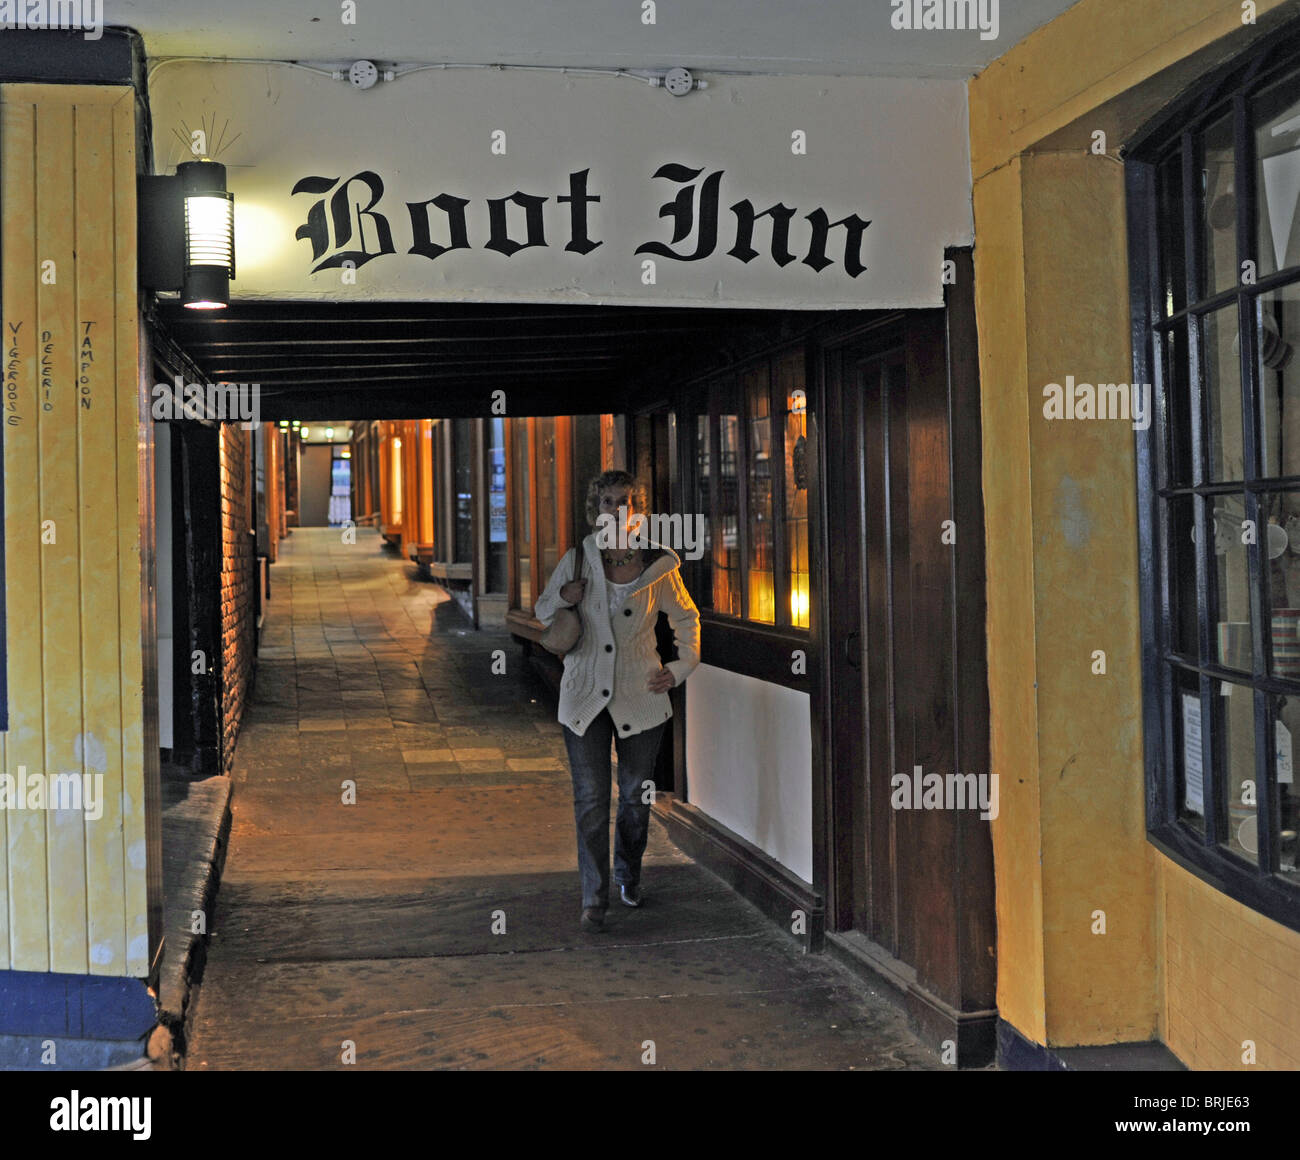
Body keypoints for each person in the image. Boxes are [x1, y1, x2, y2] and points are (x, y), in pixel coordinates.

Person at [534, 470, 701, 931]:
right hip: (584, 694)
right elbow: (543, 611)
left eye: (626, 501)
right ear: (597, 509)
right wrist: (564, 596)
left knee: (634, 796)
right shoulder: (577, 560)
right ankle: (594, 897)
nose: (617, 508)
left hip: (641, 693)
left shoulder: (659, 566)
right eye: (608, 501)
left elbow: (687, 620)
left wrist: (681, 667)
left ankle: (628, 872)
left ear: (639, 509)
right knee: (590, 799)